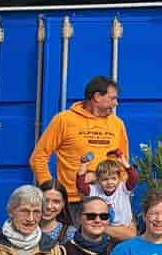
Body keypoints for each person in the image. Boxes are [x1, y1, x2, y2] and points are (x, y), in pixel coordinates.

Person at [29, 77, 128, 220]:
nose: (116, 104)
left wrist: (117, 191)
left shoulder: (117, 124)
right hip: (72, 203)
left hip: (106, 201)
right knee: (69, 241)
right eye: (112, 98)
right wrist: (51, 190)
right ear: (97, 97)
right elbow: (38, 158)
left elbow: (122, 163)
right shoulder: (64, 120)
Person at [75, 155, 137, 241]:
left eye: (113, 178)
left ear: (119, 179)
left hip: (123, 229)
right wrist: (84, 165)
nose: (109, 182)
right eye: (105, 179)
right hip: (102, 232)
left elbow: (133, 177)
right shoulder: (94, 189)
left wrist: (125, 164)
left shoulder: (123, 188)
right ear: (98, 180)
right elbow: (80, 186)